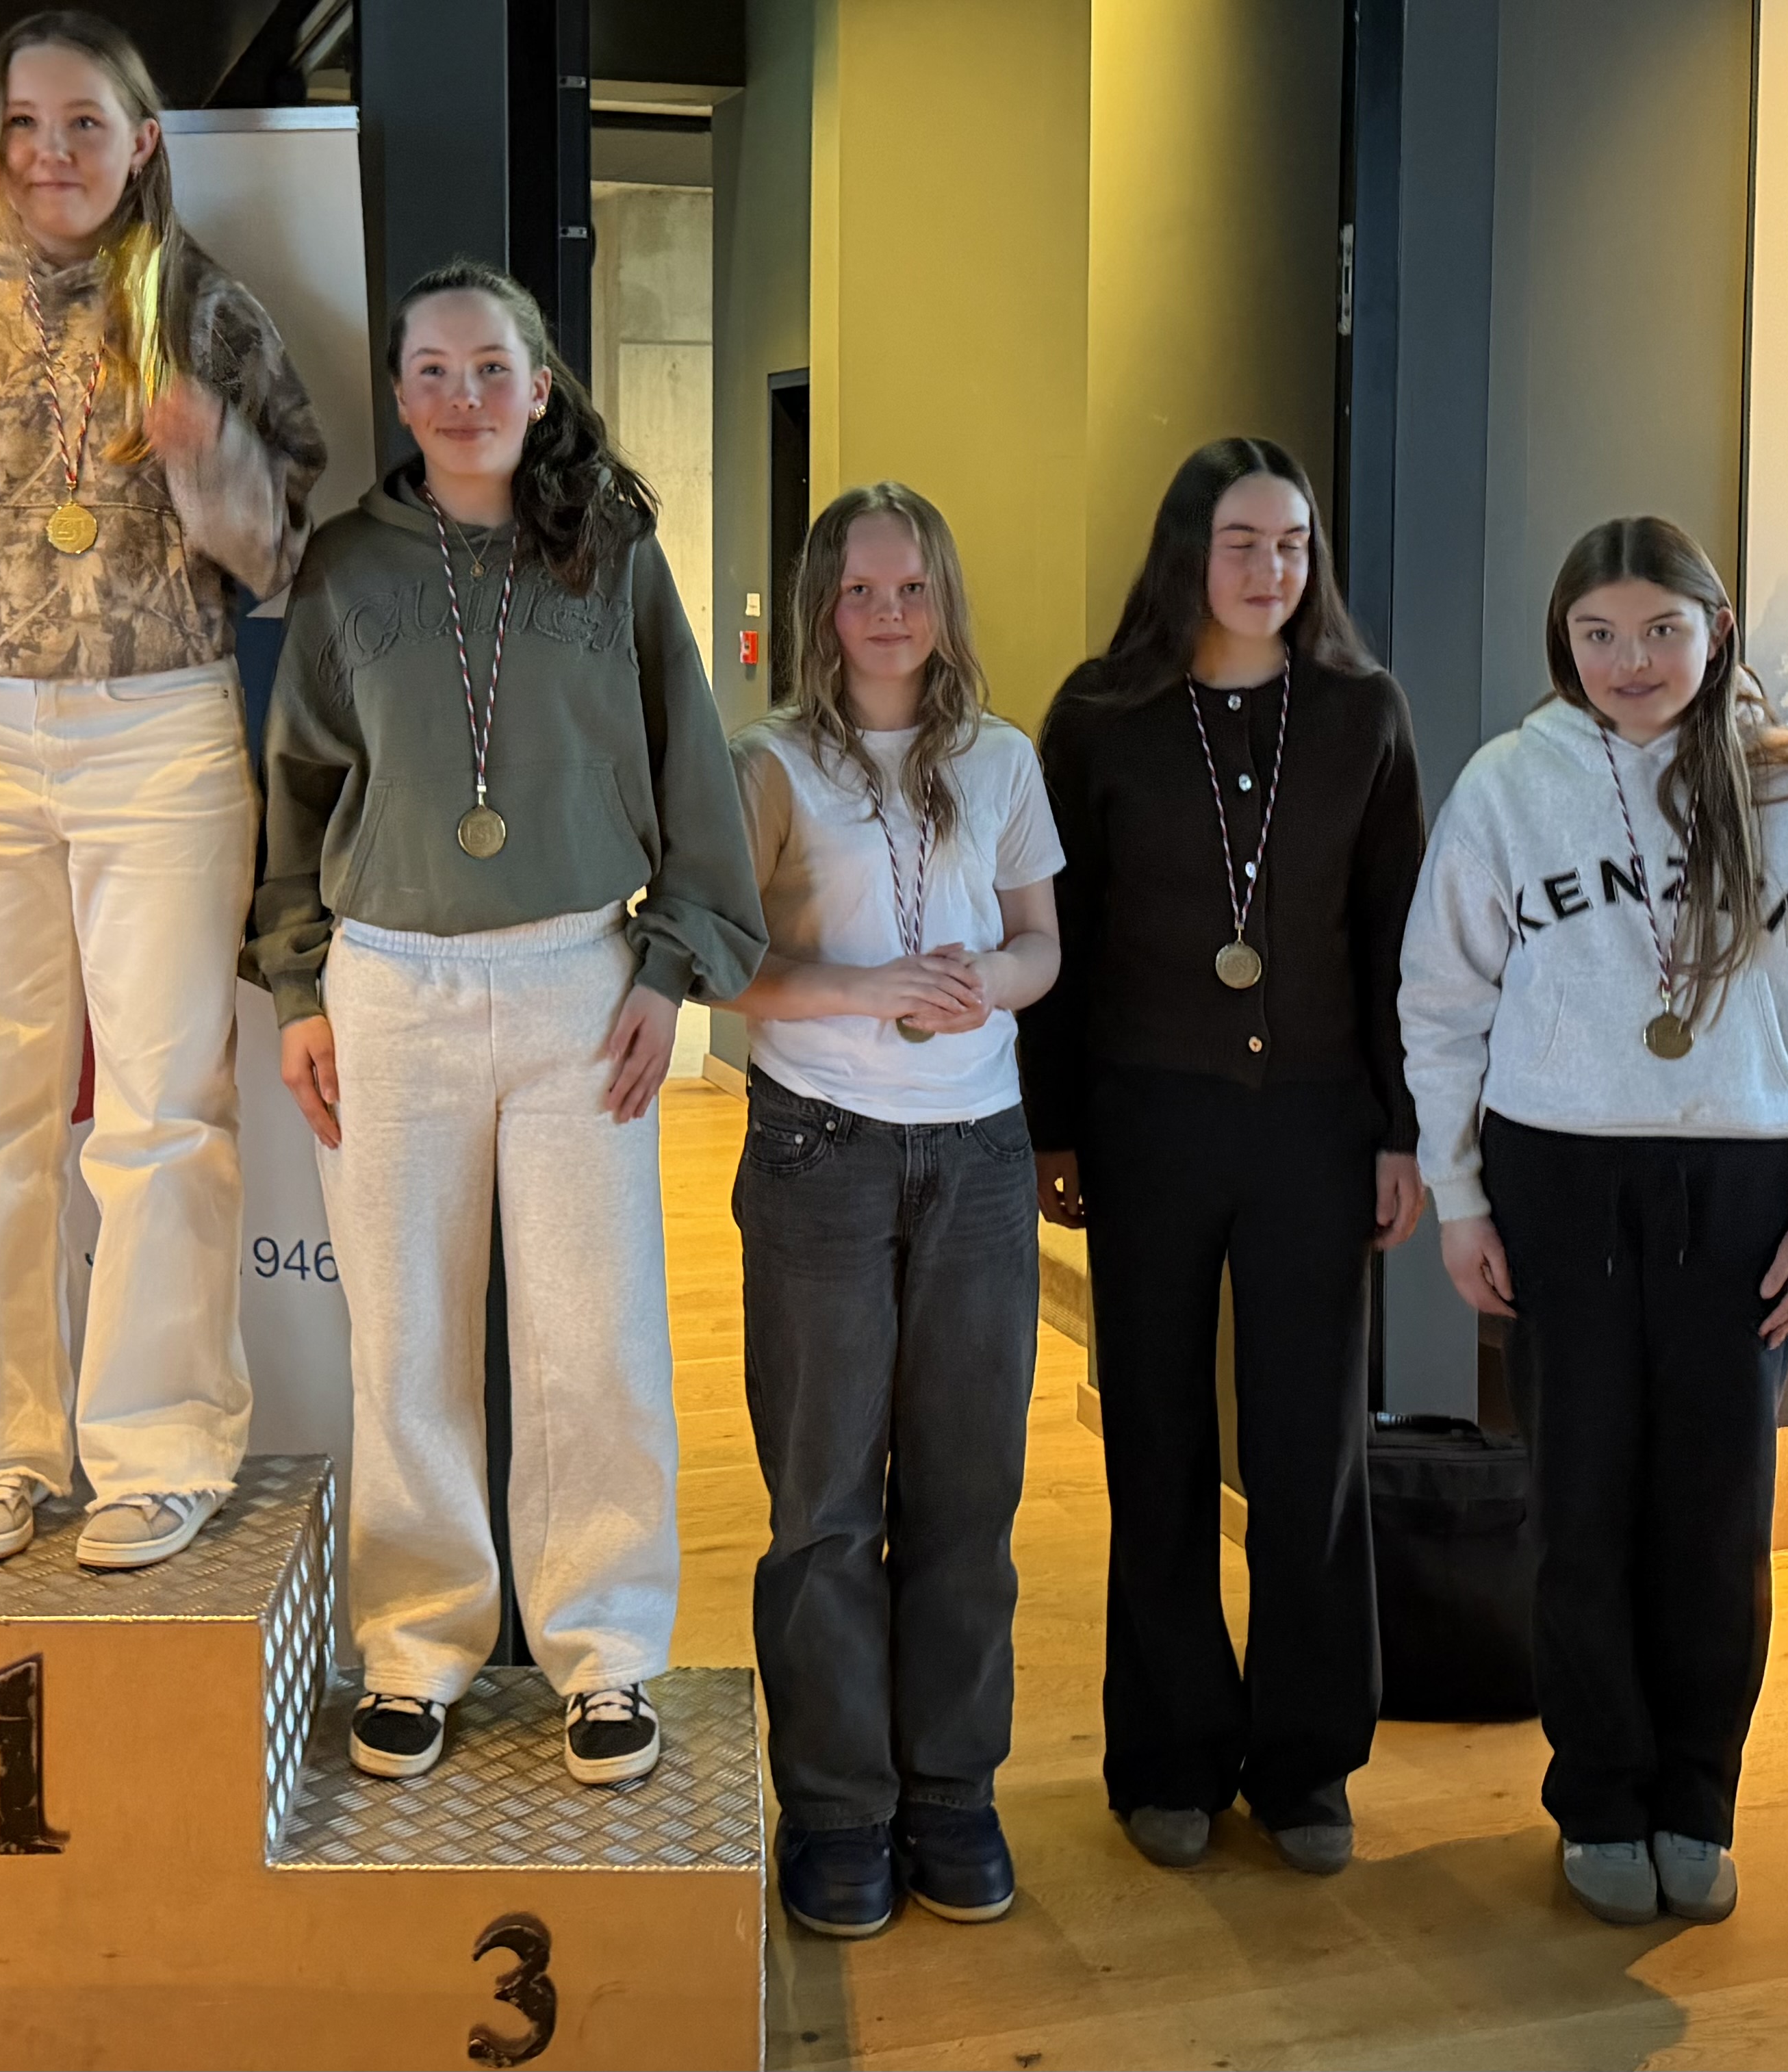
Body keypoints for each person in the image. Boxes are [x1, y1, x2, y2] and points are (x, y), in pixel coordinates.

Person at [0, 10, 327, 1570]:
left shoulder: (207, 310)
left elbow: (286, 554)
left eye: (85, 124)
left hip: (163, 732)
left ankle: (160, 1450)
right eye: (26, 126)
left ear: (142, 140)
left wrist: (210, 453)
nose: (53, 154)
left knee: (166, 1107)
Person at [253, 259, 764, 1787]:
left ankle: (603, 1651)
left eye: (492, 368)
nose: (463, 396)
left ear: (541, 386)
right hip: (388, 984)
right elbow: (297, 789)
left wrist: (667, 969)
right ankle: (416, 1647)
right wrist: (299, 986)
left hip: (574, 985)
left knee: (592, 1339)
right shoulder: (345, 566)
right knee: (405, 1336)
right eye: (433, 371)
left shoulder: (612, 555)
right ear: (399, 396)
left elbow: (690, 766)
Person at [1399, 515, 1788, 1927]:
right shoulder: (1511, 785)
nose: (1631, 662)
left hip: (1742, 1191)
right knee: (1578, 1507)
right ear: (1562, 641)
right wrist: (1457, 1195)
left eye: (1661, 631)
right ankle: (1600, 1796)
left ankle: (1698, 1795)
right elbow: (1439, 1003)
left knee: (1715, 1519)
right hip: (1556, 1181)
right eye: (1599, 634)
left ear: (1715, 630)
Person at [1019, 437, 1426, 1877]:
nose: (1270, 570)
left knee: (1311, 1449)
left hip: (1318, 1123)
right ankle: (1168, 1754)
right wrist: (1052, 1122)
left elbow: (1394, 938)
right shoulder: (1101, 715)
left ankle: (1307, 1763)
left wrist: (1402, 1127)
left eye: (1292, 544)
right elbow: (1058, 939)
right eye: (1241, 542)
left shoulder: (1363, 715)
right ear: (1185, 551)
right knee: (1156, 1439)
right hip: (1148, 1120)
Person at [725, 483, 1062, 1934]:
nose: (887, 614)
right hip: (821, 1146)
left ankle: (951, 1790)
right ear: (821, 605)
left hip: (978, 1154)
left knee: (969, 1493)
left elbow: (1042, 944)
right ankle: (837, 1808)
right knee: (821, 1501)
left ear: (944, 601)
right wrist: (872, 990)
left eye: (911, 588)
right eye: (859, 590)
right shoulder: (768, 763)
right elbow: (727, 965)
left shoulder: (1001, 757)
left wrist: (987, 982)